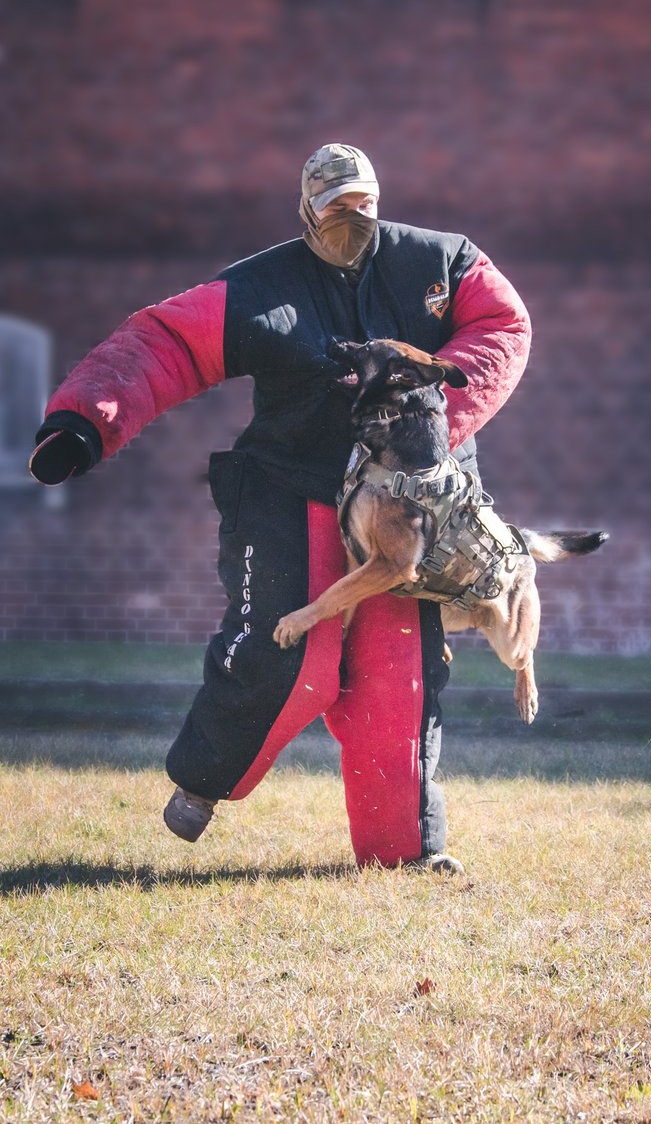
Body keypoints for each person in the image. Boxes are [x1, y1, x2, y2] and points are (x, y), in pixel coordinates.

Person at [28, 143, 531, 874]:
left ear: (378, 200)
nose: (350, 217)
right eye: (334, 205)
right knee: (291, 659)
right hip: (289, 488)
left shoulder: (443, 262)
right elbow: (163, 343)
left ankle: (405, 853)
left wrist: (432, 423)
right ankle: (202, 781)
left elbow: (504, 327)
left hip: (404, 501)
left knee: (400, 679)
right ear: (307, 209)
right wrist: (82, 423)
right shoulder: (261, 288)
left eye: (362, 203)